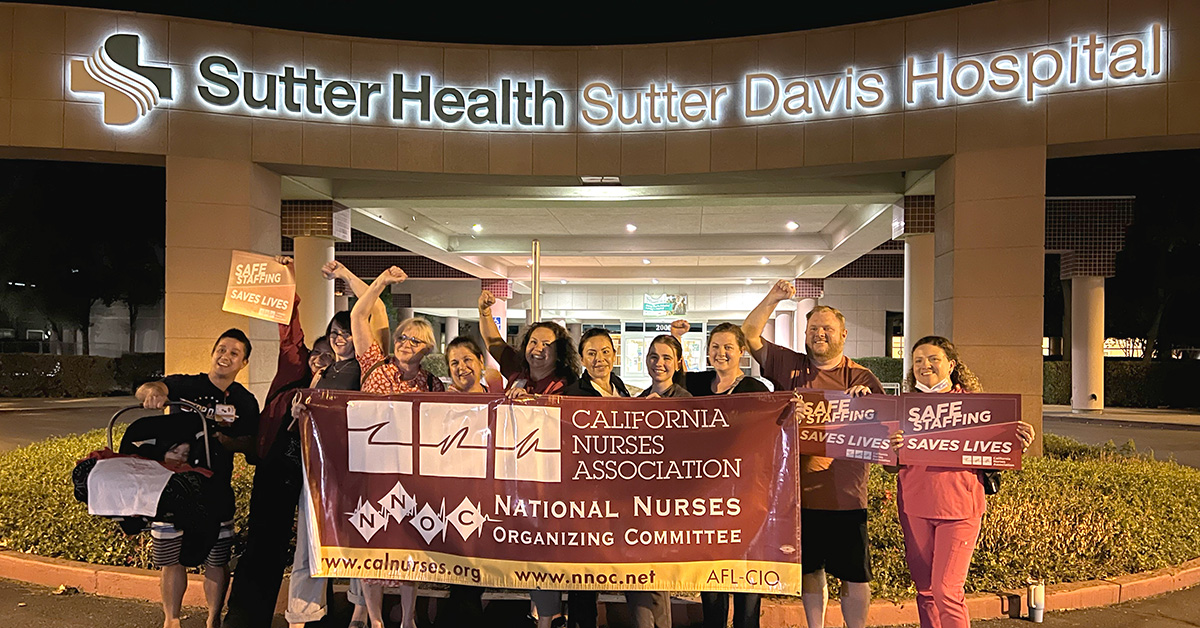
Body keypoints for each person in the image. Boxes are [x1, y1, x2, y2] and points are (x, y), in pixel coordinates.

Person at [742, 280, 883, 628]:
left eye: (827, 329)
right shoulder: (789, 365)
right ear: (805, 334)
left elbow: (887, 432)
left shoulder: (862, 377)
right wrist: (774, 297)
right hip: (798, 497)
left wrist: (867, 406)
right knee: (810, 571)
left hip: (847, 497)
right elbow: (749, 333)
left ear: (844, 334)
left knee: (854, 574)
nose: (820, 334)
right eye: (814, 328)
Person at [888, 336, 1035, 628]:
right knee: (926, 591)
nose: (924, 366)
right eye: (918, 361)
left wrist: (1019, 442)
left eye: (933, 359)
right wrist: (891, 449)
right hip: (914, 507)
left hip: (960, 509)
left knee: (947, 591)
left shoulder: (976, 407)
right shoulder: (901, 408)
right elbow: (890, 465)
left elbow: (998, 448)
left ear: (951, 365)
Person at [285, 259, 390, 628]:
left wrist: (346, 276)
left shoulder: (368, 364)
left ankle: (360, 609)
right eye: (334, 331)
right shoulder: (323, 369)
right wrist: (302, 407)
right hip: (317, 465)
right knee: (309, 539)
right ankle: (302, 613)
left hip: (354, 464)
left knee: (359, 534)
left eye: (345, 330)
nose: (339, 336)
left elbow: (373, 309)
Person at [136, 328, 261, 628]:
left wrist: (229, 442)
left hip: (216, 490)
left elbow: (255, 446)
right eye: (222, 348)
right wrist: (151, 393)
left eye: (234, 353)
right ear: (213, 351)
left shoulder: (245, 400)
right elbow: (150, 389)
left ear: (243, 363)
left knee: (216, 559)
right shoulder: (185, 384)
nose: (225, 356)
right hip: (174, 488)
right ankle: (171, 620)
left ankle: (212, 620)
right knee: (170, 559)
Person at [352, 265, 445, 628]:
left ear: (427, 349)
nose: (406, 343)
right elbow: (360, 314)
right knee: (371, 543)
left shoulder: (433, 384)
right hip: (371, 470)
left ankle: (408, 619)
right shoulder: (374, 365)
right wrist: (383, 283)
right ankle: (375, 620)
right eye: (403, 337)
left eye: (415, 341)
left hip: (410, 475)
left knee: (409, 545)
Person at [685, 323, 769, 628]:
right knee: (712, 573)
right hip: (705, 500)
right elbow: (667, 383)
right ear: (707, 351)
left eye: (728, 348)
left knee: (747, 574)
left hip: (746, 497)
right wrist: (678, 338)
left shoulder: (756, 390)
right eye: (715, 347)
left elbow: (771, 429)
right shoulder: (696, 384)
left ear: (742, 352)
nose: (721, 353)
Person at [557, 328, 636, 628]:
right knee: (584, 571)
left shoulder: (620, 388)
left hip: (621, 494)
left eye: (605, 352)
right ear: (582, 359)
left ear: (614, 356)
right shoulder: (574, 395)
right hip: (587, 496)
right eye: (591, 353)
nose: (599, 359)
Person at [625, 333, 691, 628]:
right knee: (636, 578)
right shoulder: (636, 401)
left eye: (666, 358)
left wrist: (664, 415)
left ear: (677, 363)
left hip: (668, 506)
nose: (659, 363)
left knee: (655, 580)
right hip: (638, 503)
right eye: (654, 357)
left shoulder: (685, 401)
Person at [441, 335, 490, 627]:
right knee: (460, 575)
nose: (461, 368)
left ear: (481, 363)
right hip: (454, 498)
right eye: (454, 362)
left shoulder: (500, 396)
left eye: (467, 359)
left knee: (477, 571)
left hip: (489, 498)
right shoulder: (442, 403)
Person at [478, 289, 579, 396]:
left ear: (559, 352)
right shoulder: (518, 368)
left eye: (546, 344)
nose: (537, 349)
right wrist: (485, 312)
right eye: (533, 342)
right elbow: (493, 343)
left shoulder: (565, 385)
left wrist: (527, 401)